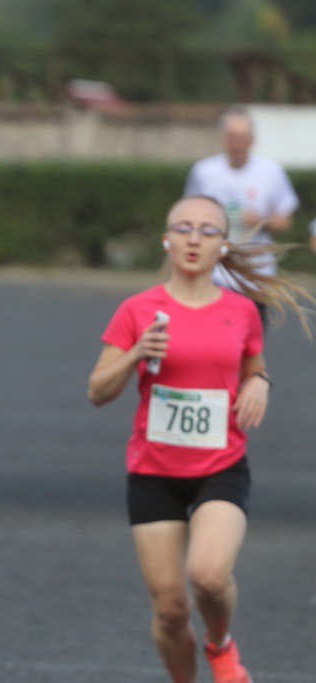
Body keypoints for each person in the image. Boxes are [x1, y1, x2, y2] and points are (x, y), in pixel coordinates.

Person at [88, 195, 311, 683]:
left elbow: (254, 366)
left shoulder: (242, 311)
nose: (194, 239)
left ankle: (221, 644)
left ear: (223, 246)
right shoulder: (138, 310)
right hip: (154, 473)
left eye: (208, 231)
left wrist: (261, 382)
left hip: (220, 467)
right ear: (166, 240)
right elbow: (97, 392)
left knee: (208, 577)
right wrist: (134, 355)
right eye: (183, 228)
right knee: (170, 610)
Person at [184, 104, 300, 325]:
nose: (237, 143)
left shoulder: (271, 172)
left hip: (255, 276)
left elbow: (286, 221)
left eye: (243, 137)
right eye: (232, 136)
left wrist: (261, 221)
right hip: (213, 274)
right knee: (212, 338)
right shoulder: (204, 171)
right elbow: (187, 215)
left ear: (253, 139)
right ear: (222, 138)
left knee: (250, 341)